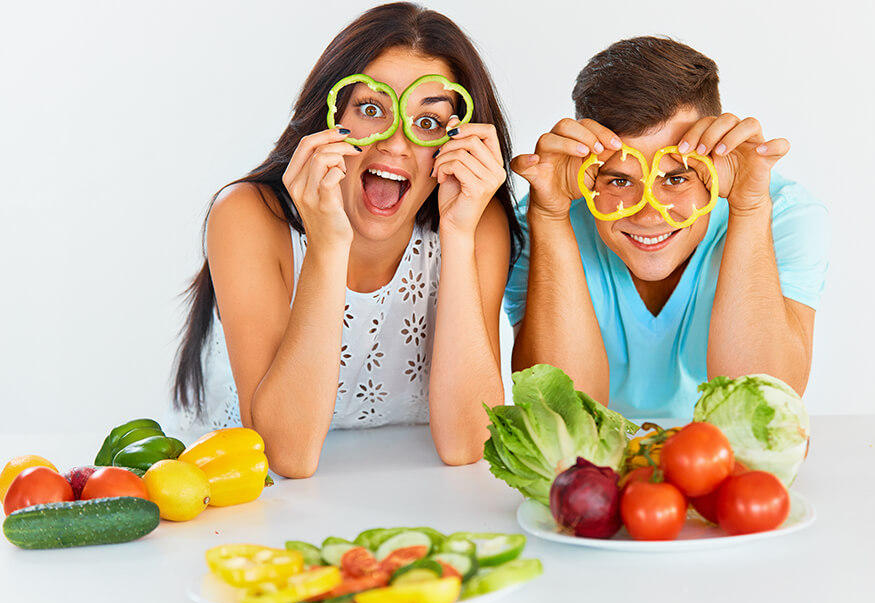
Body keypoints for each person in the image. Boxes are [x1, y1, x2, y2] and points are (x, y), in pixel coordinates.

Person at [172, 2, 522, 477]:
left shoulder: (475, 222)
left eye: (429, 122)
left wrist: (458, 237)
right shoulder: (246, 216)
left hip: (411, 496)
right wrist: (329, 244)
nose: (396, 144)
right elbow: (285, 456)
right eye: (372, 109)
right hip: (252, 502)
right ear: (329, 115)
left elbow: (466, 444)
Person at [506, 36, 829, 419]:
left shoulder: (785, 213)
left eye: (677, 179)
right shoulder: (538, 218)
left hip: (720, 465)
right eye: (620, 180)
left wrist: (750, 206)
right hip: (599, 465)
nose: (648, 214)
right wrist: (550, 216)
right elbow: (565, 416)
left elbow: (762, 409)